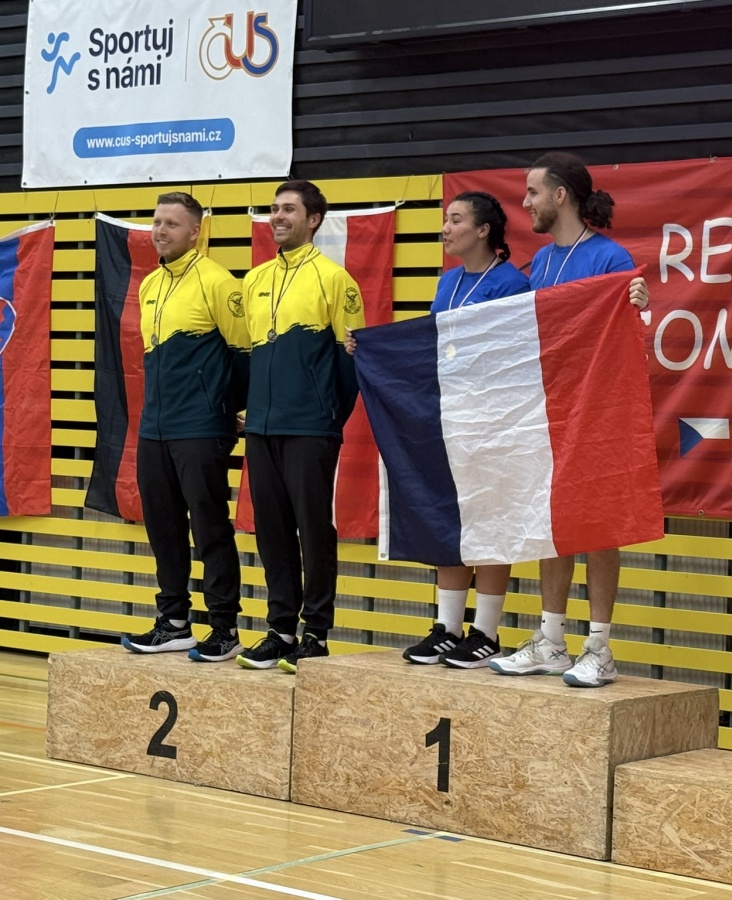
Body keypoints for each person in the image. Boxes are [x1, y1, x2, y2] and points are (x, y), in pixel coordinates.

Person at [348, 191, 530, 668]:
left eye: (455, 220)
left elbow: (510, 352)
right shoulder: (449, 282)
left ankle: (486, 632)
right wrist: (372, 348)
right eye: (446, 220)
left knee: (489, 521)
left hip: (492, 419)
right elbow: (429, 346)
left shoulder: (510, 283)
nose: (445, 228)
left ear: (483, 230)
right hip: (447, 418)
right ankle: (448, 628)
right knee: (448, 516)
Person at [487, 151, 648, 688]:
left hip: (597, 412)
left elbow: (628, 331)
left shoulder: (609, 257)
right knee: (549, 523)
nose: (525, 202)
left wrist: (638, 301)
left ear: (561, 195)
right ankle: (551, 641)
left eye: (533, 192)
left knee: (599, 527)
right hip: (548, 410)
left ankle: (599, 647)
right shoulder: (540, 262)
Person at [235, 180, 366, 673]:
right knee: (271, 531)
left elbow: (350, 363)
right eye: (274, 208)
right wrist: (250, 408)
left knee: (313, 530)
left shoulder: (336, 280)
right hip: (262, 427)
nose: (278, 216)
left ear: (313, 220)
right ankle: (280, 630)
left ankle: (316, 633)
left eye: (289, 209)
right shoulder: (254, 280)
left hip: (311, 426)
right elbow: (248, 355)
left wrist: (327, 417)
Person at [121, 192, 251, 662]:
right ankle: (174, 622)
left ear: (196, 232)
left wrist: (232, 408)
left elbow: (245, 354)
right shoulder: (151, 284)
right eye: (157, 222)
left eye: (172, 224)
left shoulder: (218, 282)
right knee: (163, 526)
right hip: (155, 426)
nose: (161, 230)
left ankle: (224, 628)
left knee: (210, 527)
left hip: (201, 425)